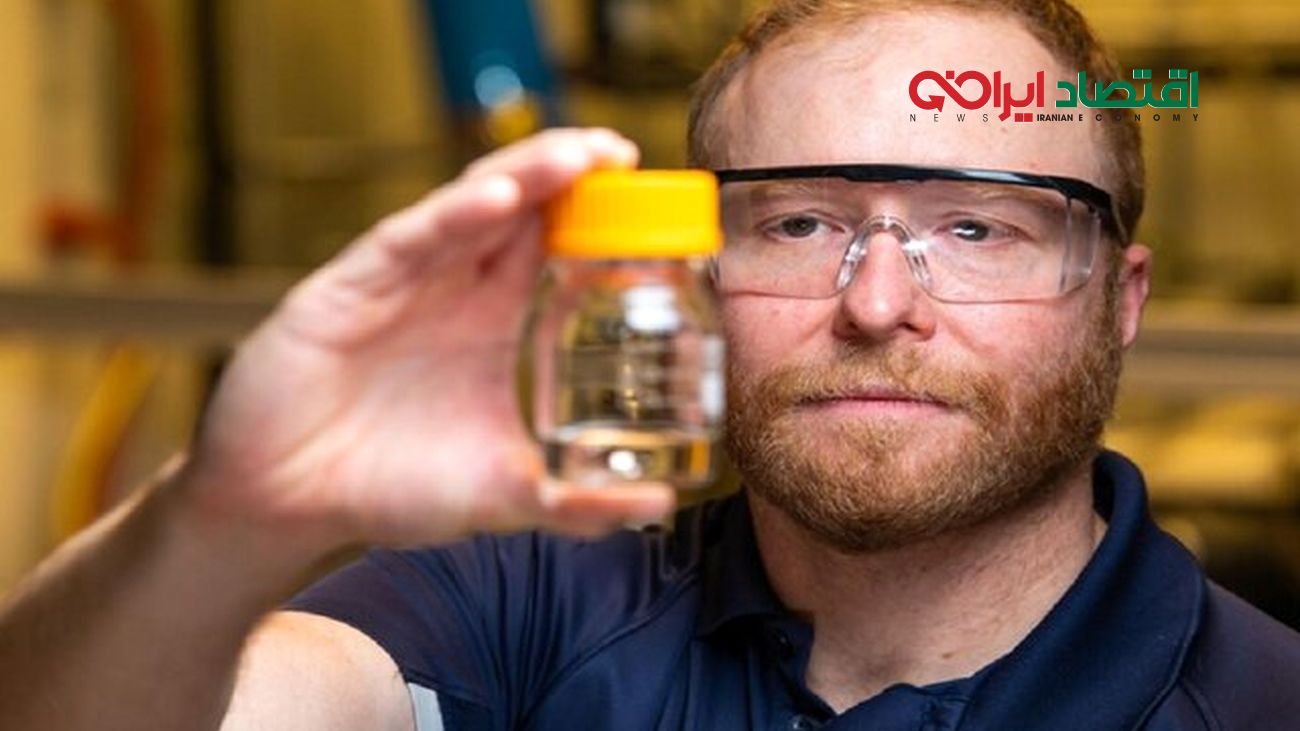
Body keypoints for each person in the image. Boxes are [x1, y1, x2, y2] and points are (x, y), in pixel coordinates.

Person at [1, 0, 1297, 729]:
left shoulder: (1259, 702)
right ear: (695, 274)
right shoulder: (524, 616)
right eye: (799, 225)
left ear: (1121, 300)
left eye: (977, 230)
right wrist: (224, 520)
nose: (877, 303)